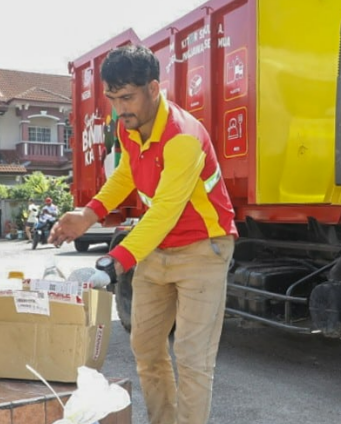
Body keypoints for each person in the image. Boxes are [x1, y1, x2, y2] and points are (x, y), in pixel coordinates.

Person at [50, 44, 237, 424]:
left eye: (128, 98)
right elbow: (125, 175)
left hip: (204, 250)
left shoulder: (183, 137)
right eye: (114, 99)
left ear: (154, 88)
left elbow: (164, 212)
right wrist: (89, 214)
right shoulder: (127, 126)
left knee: (192, 357)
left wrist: (111, 264)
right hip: (158, 249)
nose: (121, 108)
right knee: (146, 348)